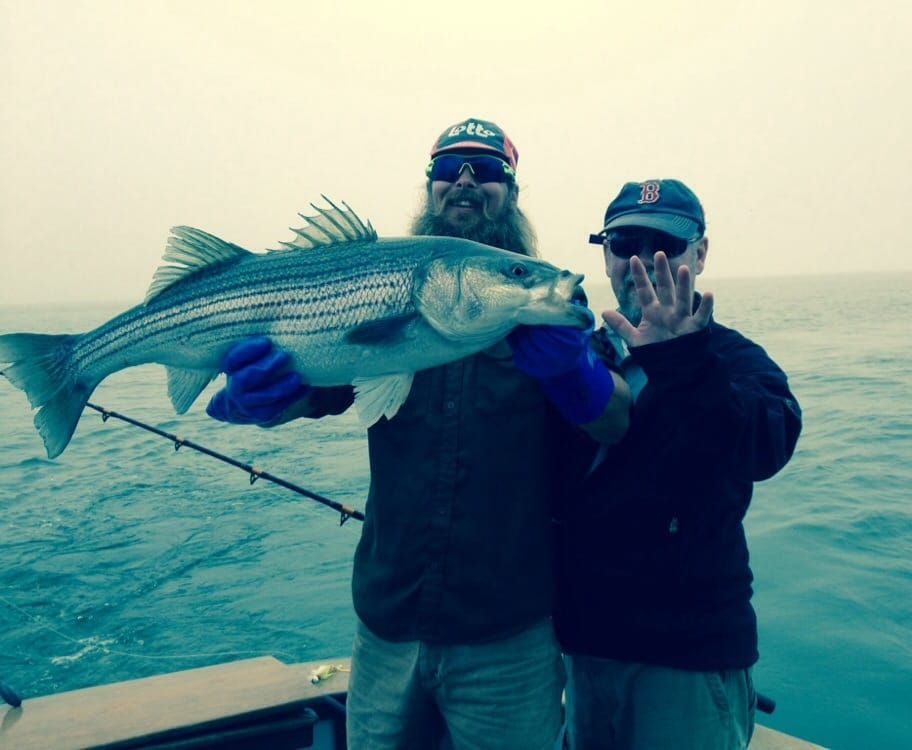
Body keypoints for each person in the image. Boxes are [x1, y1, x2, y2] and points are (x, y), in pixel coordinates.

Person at [204, 118, 629, 750]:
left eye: (486, 172)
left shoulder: (549, 323)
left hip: (506, 635)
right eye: (447, 170)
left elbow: (614, 420)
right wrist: (263, 400)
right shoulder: (374, 288)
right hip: (387, 627)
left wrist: (578, 377)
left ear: (512, 194)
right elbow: (314, 389)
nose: (464, 182)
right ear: (427, 188)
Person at [553, 179, 803, 749]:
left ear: (701, 254)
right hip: (586, 653)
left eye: (663, 244)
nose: (642, 260)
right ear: (606, 255)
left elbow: (768, 444)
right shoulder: (577, 359)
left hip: (689, 660)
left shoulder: (733, 361)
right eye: (624, 243)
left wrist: (681, 364)